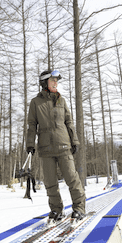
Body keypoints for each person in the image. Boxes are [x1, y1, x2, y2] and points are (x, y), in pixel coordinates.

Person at [26, 69, 86, 224]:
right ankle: (56, 210)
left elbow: (69, 123)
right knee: (50, 183)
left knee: (72, 179)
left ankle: (79, 208)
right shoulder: (35, 102)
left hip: (64, 145)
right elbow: (32, 125)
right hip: (45, 149)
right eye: (53, 80)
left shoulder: (62, 101)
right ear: (45, 83)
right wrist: (30, 144)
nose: (56, 83)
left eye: (56, 81)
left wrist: (75, 141)